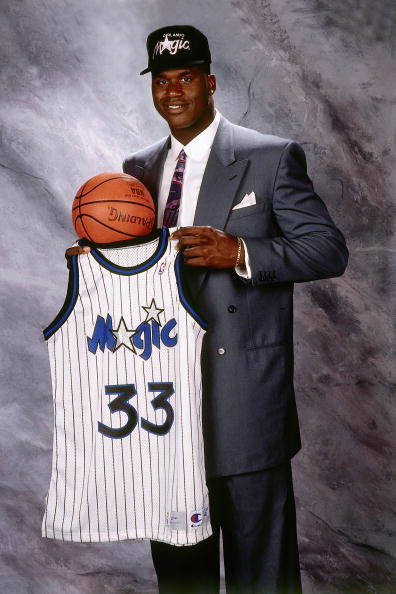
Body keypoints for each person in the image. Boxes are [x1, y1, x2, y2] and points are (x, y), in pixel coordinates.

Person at [67, 25, 348, 594]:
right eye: (162, 80)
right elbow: (141, 266)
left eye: (186, 78)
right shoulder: (137, 170)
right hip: (164, 409)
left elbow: (328, 250)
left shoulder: (269, 157)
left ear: (211, 83)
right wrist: (98, 262)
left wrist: (240, 250)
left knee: (261, 576)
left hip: (244, 399)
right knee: (182, 578)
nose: (173, 91)